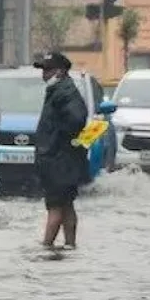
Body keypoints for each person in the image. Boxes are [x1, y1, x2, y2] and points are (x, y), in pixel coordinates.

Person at [33, 51, 88, 249]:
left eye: (48, 70)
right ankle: (70, 246)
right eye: (43, 70)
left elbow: (76, 120)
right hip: (60, 159)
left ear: (61, 71)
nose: (44, 75)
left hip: (59, 161)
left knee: (55, 206)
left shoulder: (65, 92)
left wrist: (58, 141)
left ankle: (46, 248)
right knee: (65, 205)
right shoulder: (58, 91)